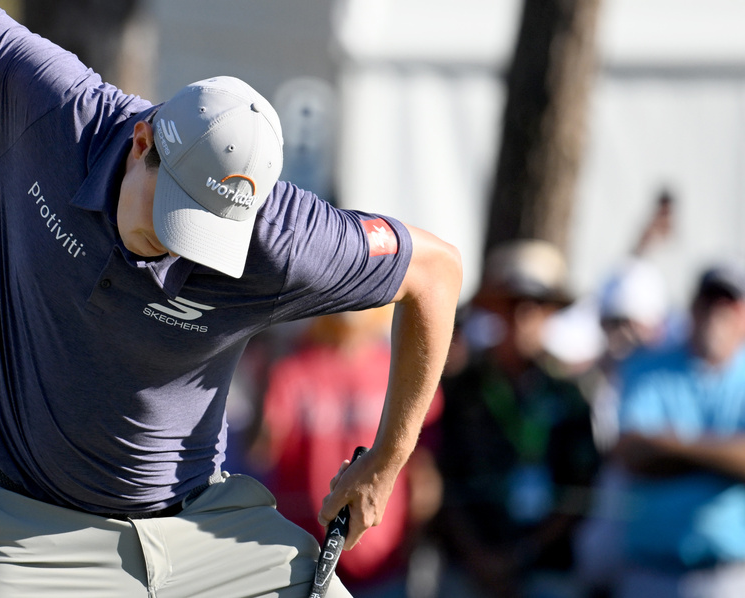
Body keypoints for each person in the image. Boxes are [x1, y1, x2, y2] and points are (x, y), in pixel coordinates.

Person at [0, 0, 462, 598]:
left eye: (207, 229)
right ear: (142, 140)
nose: (179, 247)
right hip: (19, 527)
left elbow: (436, 272)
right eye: (175, 212)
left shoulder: (284, 239)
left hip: (200, 530)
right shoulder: (56, 112)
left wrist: (385, 463)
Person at [434, 239, 600, 598]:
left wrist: (521, 555)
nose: (523, 316)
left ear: (551, 313)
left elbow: (583, 487)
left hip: (546, 567)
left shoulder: (571, 394)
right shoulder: (461, 390)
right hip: (468, 567)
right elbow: (440, 479)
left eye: (536, 305)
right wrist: (478, 557)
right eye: (512, 304)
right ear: (494, 311)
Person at [251, 306, 446, 598]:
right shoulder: (292, 367)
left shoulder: (403, 374)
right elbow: (261, 452)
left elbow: (423, 475)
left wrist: (413, 545)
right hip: (304, 562)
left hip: (384, 565)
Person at [613, 263, 745, 598]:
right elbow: (632, 454)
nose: (716, 314)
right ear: (693, 308)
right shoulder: (648, 367)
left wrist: (673, 444)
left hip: (725, 576)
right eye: (708, 302)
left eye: (728, 304)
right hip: (649, 571)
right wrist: (721, 457)